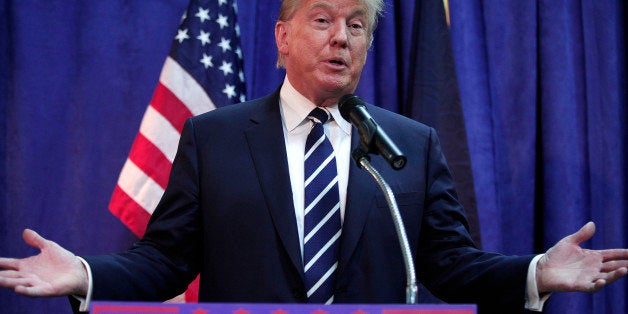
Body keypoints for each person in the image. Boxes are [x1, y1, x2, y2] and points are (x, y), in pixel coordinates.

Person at [1, 0, 627, 313]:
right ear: (281, 37)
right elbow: (164, 262)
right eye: (323, 19)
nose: (341, 38)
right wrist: (83, 275)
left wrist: (535, 272)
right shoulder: (214, 138)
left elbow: (450, 265)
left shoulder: (409, 143)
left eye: (357, 25)